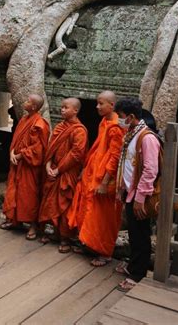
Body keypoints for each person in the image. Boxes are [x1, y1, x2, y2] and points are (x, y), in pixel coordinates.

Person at [67, 91, 125, 266]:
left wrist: (105, 181)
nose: (97, 107)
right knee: (89, 212)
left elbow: (115, 157)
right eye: (97, 103)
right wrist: (86, 170)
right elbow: (97, 149)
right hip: (94, 175)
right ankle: (89, 245)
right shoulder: (105, 122)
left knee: (103, 218)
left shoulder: (116, 126)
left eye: (101, 104)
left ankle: (104, 253)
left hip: (105, 180)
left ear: (112, 105)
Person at [114, 97, 160, 291]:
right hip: (130, 192)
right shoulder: (132, 133)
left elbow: (150, 170)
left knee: (141, 234)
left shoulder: (147, 138)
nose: (119, 120)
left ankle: (138, 274)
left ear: (131, 117)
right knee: (134, 232)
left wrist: (141, 197)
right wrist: (121, 188)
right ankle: (133, 265)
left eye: (121, 117)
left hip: (140, 196)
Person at [38, 98, 88, 253]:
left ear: (76, 110)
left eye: (66, 107)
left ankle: (65, 238)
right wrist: (48, 165)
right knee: (50, 201)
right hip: (53, 170)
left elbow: (76, 154)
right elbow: (51, 148)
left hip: (67, 172)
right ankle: (53, 232)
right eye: (61, 107)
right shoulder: (60, 127)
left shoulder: (79, 130)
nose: (62, 110)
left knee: (65, 204)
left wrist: (59, 169)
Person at [0, 94, 50, 240]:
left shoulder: (40, 124)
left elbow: (38, 148)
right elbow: (16, 140)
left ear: (34, 106)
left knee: (29, 196)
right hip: (17, 164)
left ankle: (33, 226)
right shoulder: (23, 119)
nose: (25, 102)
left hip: (29, 166)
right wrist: (12, 154)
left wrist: (20, 155)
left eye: (28, 101)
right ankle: (16, 221)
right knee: (15, 192)